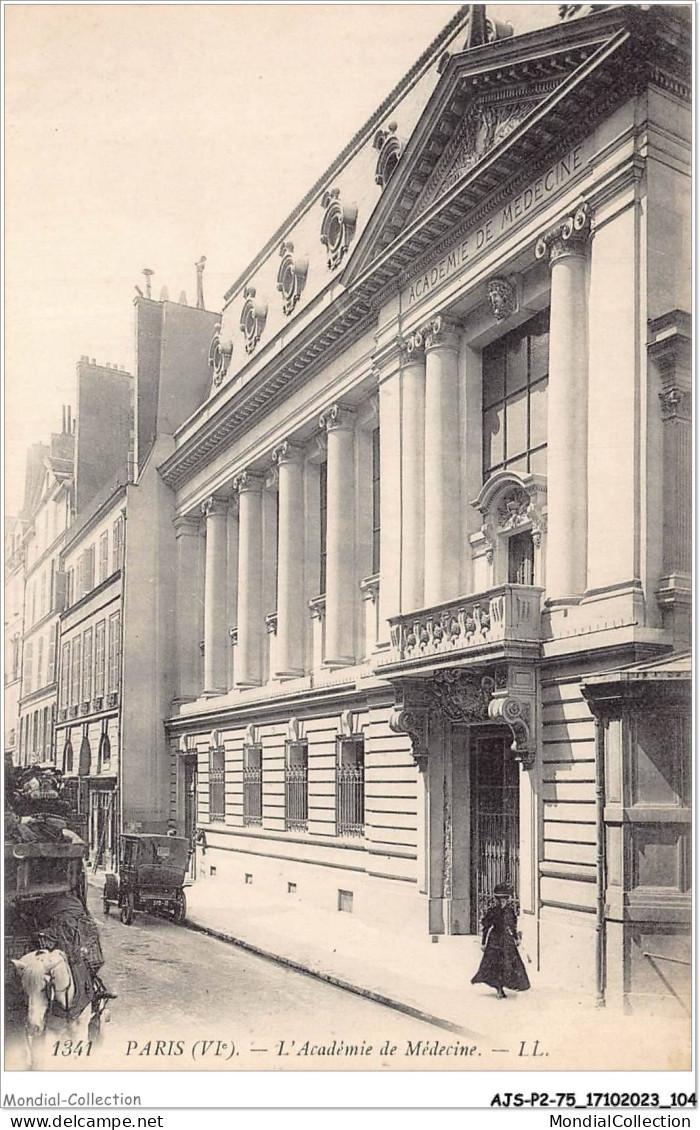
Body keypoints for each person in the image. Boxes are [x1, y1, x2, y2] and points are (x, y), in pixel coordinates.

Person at [471, 882, 530, 999]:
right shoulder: (495, 911)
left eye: (505, 899)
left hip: (502, 940)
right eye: (503, 899)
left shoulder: (507, 911)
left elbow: (512, 927)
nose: (504, 901)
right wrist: (483, 943)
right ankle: (499, 989)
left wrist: (516, 938)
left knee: (506, 965)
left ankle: (504, 986)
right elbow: (486, 927)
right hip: (497, 940)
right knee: (496, 965)